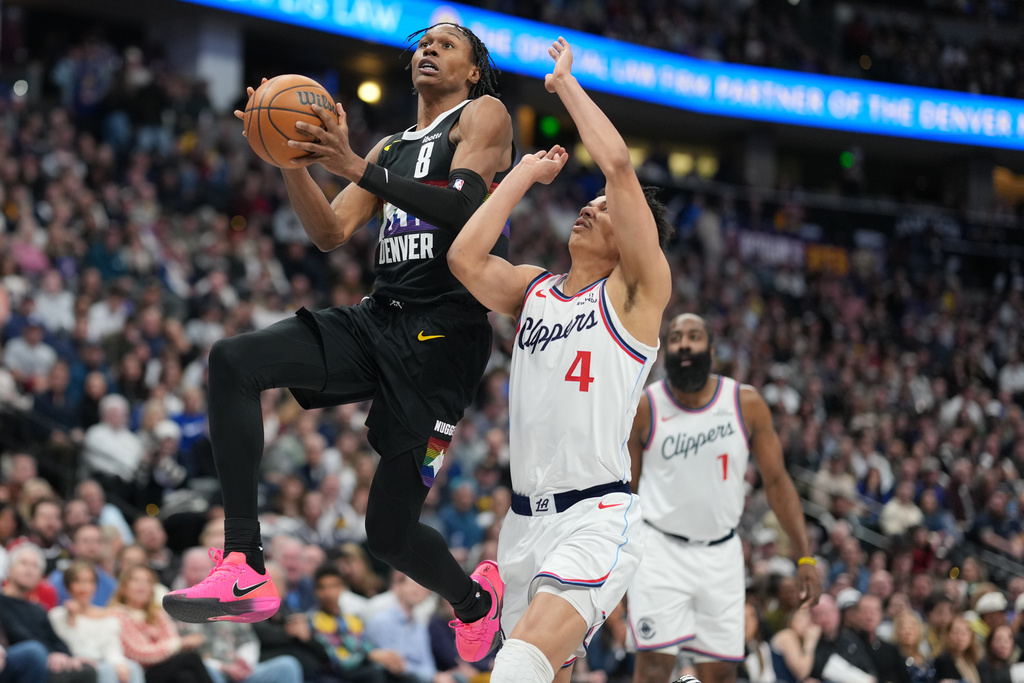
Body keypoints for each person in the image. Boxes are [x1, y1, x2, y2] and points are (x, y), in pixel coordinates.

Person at [163, 20, 515, 645]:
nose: (429, 50)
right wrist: (289, 159)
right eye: (423, 45)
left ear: (472, 70)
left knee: (387, 535)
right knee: (234, 360)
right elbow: (328, 232)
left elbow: (465, 211)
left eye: (446, 45)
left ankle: (474, 601)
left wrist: (351, 164)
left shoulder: (483, 116)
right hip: (380, 315)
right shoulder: (389, 148)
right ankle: (243, 563)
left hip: (445, 339)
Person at [446, 37, 672, 683]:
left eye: (602, 212)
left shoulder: (634, 295)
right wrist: (521, 175)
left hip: (594, 514)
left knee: (519, 661)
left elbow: (620, 168)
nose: (588, 209)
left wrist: (564, 86)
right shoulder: (534, 288)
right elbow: (465, 260)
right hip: (522, 524)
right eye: (588, 204)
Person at [626, 313, 821, 683]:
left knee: (719, 673)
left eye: (694, 336)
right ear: (665, 351)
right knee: (652, 669)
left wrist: (804, 554)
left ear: (711, 349)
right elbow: (627, 492)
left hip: (722, 555)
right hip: (658, 551)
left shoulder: (745, 403)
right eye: (676, 337)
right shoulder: (646, 406)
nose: (684, 343)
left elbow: (778, 483)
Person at [0, 545, 98, 683]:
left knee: (85, 669)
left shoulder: (38, 609)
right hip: (11, 660)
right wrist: (50, 654)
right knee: (35, 653)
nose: (29, 569)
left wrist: (69, 656)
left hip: (39, 657)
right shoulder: (2, 602)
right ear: (10, 569)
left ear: (40, 577)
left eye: (35, 566)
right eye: (24, 563)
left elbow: (54, 639)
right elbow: (16, 634)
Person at [109, 565, 215, 683]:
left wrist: (174, 645)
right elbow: (138, 652)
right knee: (190, 657)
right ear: (124, 587)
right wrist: (179, 643)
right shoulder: (118, 614)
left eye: (148, 581)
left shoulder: (157, 613)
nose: (142, 586)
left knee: (185, 678)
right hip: (140, 672)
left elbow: (172, 638)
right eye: (136, 580)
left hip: (166, 668)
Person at [48, 560, 145, 683]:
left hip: (104, 661)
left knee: (133, 668)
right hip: (79, 666)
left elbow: (112, 650)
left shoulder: (107, 616)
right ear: (68, 586)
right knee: (106, 670)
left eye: (89, 581)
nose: (84, 587)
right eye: (78, 581)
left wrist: (119, 664)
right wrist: (72, 618)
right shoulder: (58, 615)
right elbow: (69, 649)